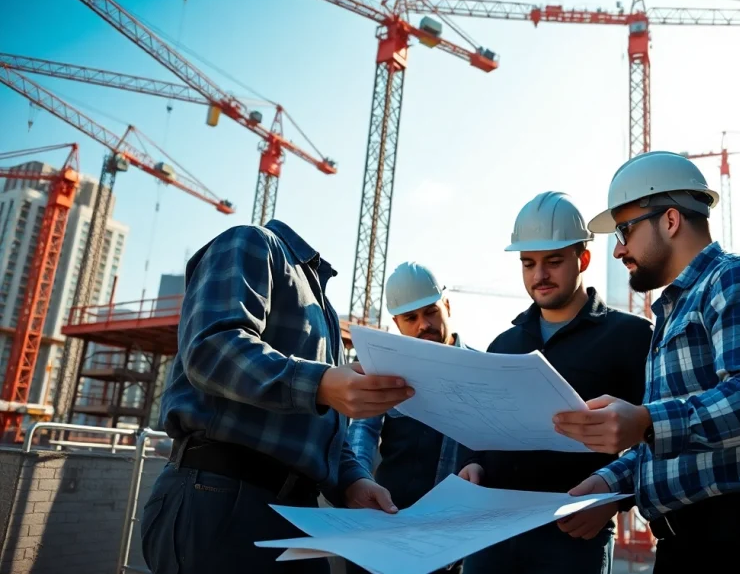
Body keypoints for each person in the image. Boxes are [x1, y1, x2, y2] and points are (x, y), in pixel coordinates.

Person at [553, 151, 740, 573]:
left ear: (670, 220)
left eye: (625, 230)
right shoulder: (674, 312)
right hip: (685, 545)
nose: (618, 250)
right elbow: (676, 444)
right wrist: (607, 484)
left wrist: (645, 421)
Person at [140, 219, 414, 574]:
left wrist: (352, 481)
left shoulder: (325, 313)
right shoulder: (253, 242)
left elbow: (324, 426)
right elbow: (210, 349)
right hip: (223, 496)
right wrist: (321, 384)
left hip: (297, 513)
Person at [458, 191, 652, 574]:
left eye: (553, 262)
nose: (539, 275)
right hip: (491, 534)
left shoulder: (631, 337)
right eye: (528, 263)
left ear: (583, 259)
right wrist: (473, 465)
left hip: (574, 535)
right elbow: (484, 430)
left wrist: (615, 501)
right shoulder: (504, 343)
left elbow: (655, 435)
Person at [344, 261, 473, 574]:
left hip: (450, 540)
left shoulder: (477, 372)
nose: (422, 325)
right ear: (396, 323)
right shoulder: (383, 372)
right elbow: (361, 433)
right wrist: (359, 483)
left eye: (430, 311)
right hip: (385, 526)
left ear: (447, 305)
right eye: (410, 317)